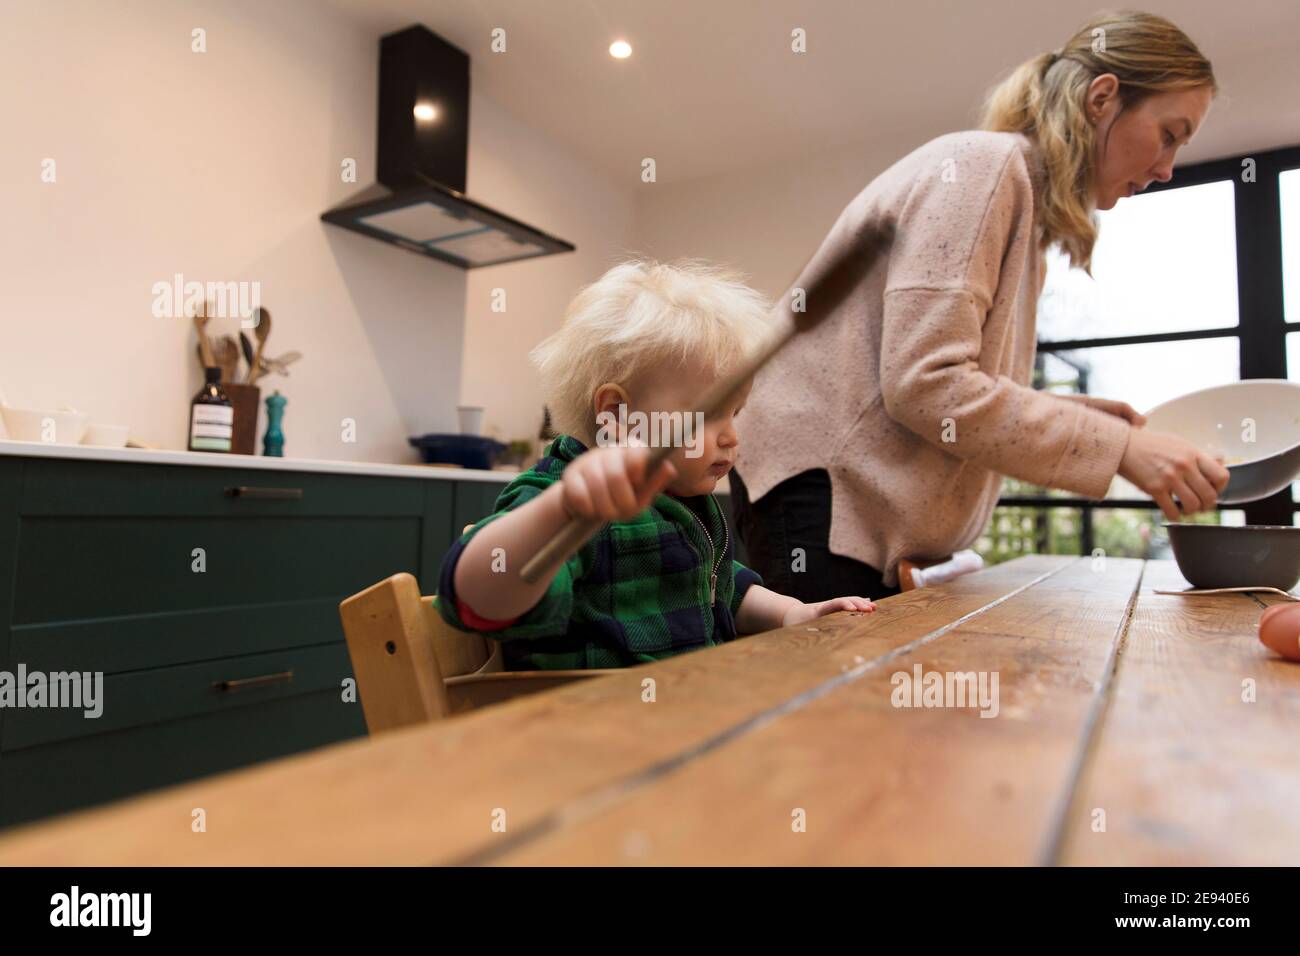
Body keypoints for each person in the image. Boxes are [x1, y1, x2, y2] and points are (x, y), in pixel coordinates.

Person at [732, 10, 1229, 602]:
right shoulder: (985, 169)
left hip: (850, 510)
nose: (1168, 167)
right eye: (1169, 133)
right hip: (827, 499)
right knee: (823, 694)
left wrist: (1111, 433)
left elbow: (957, 384)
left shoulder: (1018, 199)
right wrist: (1117, 449)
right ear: (1102, 98)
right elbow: (928, 385)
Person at [436, 259, 876, 670]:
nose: (731, 436)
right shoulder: (564, 496)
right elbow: (476, 601)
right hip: (587, 738)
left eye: (736, 413)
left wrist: (791, 613)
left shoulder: (687, 505)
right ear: (616, 415)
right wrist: (562, 512)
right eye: (712, 413)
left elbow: (721, 588)